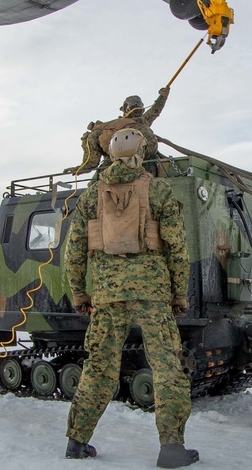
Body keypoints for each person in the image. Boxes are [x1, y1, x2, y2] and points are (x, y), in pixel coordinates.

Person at [64, 128, 198, 468]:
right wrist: (179, 294)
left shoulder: (92, 195)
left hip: (107, 293)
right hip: (152, 293)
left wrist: (80, 292)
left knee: (99, 367)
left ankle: (77, 442)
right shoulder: (159, 191)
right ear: (141, 155)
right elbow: (178, 249)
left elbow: (75, 250)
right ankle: (171, 448)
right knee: (168, 368)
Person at [67, 88, 170, 175]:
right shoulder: (107, 127)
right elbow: (92, 155)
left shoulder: (141, 122)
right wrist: (82, 168)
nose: (136, 106)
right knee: (95, 185)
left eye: (139, 104)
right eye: (133, 104)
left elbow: (155, 110)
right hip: (115, 167)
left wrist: (162, 97)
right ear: (124, 108)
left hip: (138, 166)